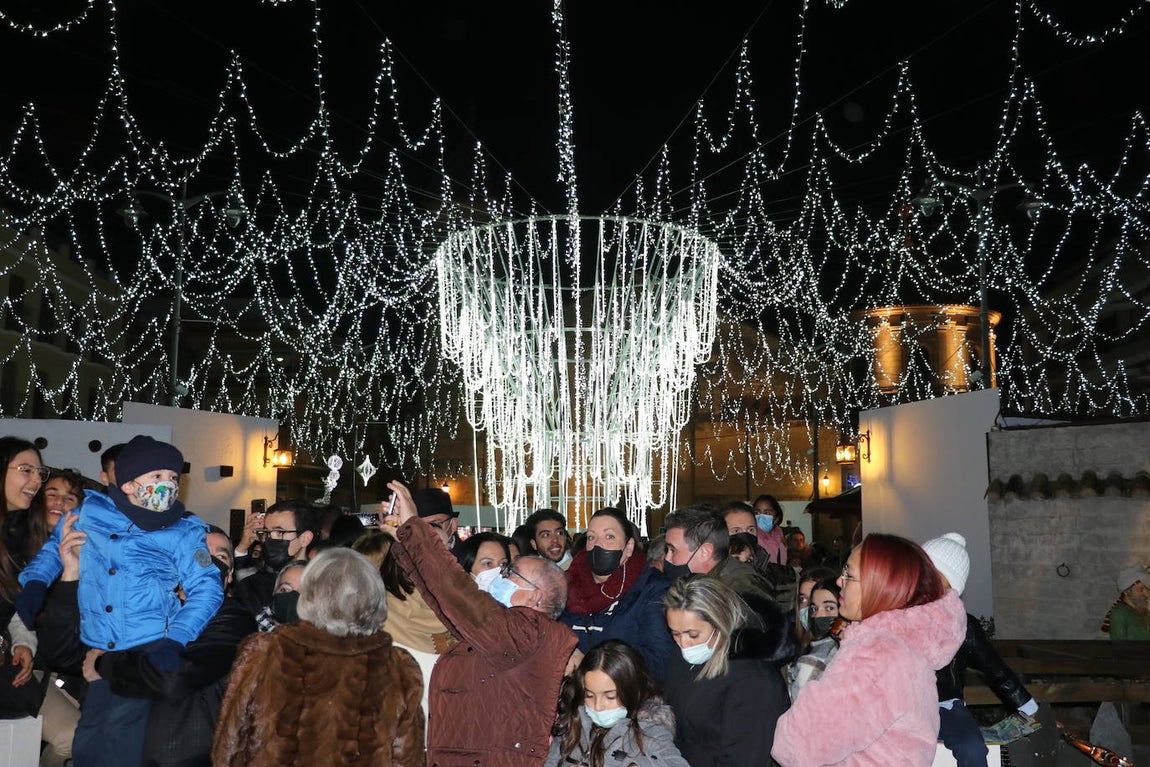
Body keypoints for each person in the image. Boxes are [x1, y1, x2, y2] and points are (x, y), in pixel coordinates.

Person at [17, 434, 224, 767]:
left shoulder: (184, 530)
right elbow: (54, 550)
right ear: (128, 483)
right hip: (98, 649)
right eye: (156, 476)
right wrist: (35, 583)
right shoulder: (91, 512)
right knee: (87, 744)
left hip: (148, 648)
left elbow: (208, 588)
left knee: (120, 749)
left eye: (173, 478)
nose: (167, 484)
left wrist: (176, 639)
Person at [38, 519, 257, 767]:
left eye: (221, 557)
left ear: (228, 576)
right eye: (198, 554)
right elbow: (63, 655)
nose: (208, 563)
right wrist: (72, 575)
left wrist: (104, 664)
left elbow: (172, 678)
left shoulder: (232, 618)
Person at [389, 479, 577, 766]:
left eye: (510, 573)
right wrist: (406, 544)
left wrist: (415, 528)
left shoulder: (528, 632)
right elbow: (444, 602)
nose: (500, 577)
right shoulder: (505, 628)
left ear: (535, 596)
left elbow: (456, 593)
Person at [212, 548, 424, 767]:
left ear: (310, 595)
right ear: (374, 597)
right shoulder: (398, 666)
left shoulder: (264, 652)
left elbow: (229, 747)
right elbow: (407, 757)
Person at [772, 533, 967, 767]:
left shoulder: (879, 653)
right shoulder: (901, 646)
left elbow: (797, 745)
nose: (839, 581)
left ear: (881, 584)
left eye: (849, 575)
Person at [923, 532, 1039, 765]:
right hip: (903, 706)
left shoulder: (962, 625)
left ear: (951, 586)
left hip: (945, 707)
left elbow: (995, 670)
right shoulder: (895, 615)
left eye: (934, 575)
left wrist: (1028, 709)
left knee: (972, 749)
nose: (922, 580)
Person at [662, 575, 792, 766]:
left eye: (693, 634)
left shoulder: (755, 680)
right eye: (675, 633)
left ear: (720, 624)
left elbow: (743, 758)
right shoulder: (684, 657)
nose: (684, 644)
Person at [561, 508, 676, 682]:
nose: (598, 545)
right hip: (572, 699)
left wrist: (590, 666)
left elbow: (658, 660)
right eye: (591, 537)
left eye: (609, 537)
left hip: (628, 699)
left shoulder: (652, 588)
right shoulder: (566, 585)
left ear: (628, 547)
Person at [545, 640, 690, 767]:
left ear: (631, 691)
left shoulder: (650, 732)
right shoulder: (573, 723)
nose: (597, 706)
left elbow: (675, 762)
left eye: (610, 697)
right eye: (589, 695)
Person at [231, 498, 318, 625]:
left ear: (304, 538)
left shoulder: (322, 583)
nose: (270, 539)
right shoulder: (258, 582)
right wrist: (242, 547)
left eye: (280, 532)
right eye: (266, 532)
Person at [786, 577, 843, 701]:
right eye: (814, 608)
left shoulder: (818, 657)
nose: (818, 615)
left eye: (829, 608)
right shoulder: (792, 640)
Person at [1110, 565, 1150, 640]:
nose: (1147, 594)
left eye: (1147, 589)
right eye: (1141, 590)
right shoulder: (1119, 614)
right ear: (1126, 592)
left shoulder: (1145, 612)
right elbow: (1119, 647)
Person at [752, 494, 788, 566]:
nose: (761, 516)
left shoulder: (781, 539)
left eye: (767, 513)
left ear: (776, 518)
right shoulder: (751, 538)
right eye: (757, 513)